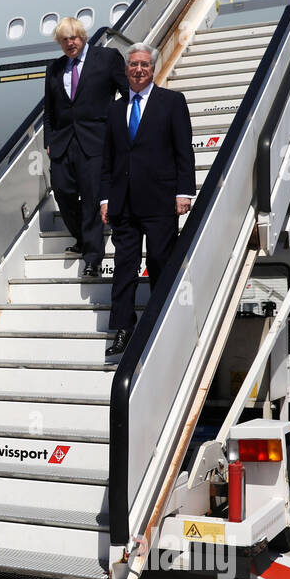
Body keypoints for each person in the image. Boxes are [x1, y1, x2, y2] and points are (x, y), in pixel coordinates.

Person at [100, 43, 195, 356]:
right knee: (124, 267)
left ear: (153, 69)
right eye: (133, 65)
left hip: (160, 200)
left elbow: (184, 150)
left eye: (144, 65)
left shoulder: (172, 102)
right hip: (123, 202)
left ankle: (159, 323)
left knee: (159, 262)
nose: (138, 70)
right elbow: (109, 160)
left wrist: (184, 191)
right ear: (126, 69)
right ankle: (124, 329)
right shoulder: (115, 109)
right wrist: (104, 199)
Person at [43, 16, 129, 277]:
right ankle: (82, 237)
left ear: (83, 36)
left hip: (96, 140)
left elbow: (127, 93)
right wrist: (48, 140)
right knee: (63, 191)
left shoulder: (107, 58)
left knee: (92, 197)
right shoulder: (55, 68)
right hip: (63, 142)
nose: (70, 43)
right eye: (64, 40)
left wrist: (116, 126)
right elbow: (50, 110)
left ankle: (92, 258)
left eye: (74, 37)